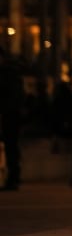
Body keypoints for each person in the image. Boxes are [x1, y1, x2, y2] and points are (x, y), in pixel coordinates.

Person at [0, 47, 25, 191]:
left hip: (9, 116)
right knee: (11, 147)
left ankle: (13, 178)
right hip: (10, 115)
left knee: (11, 148)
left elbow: (13, 98)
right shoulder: (11, 73)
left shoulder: (9, 74)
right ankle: (12, 178)